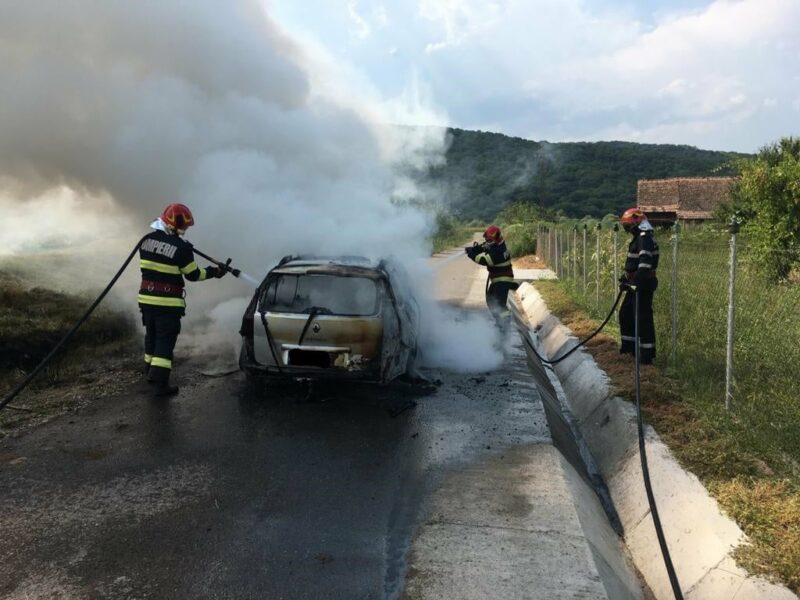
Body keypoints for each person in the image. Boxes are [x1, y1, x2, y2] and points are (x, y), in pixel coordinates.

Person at [138, 203, 226, 396]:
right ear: (173, 223)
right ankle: (160, 384)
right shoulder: (182, 248)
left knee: (151, 336)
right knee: (165, 341)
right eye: (183, 226)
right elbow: (193, 274)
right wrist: (215, 272)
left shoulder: (145, 241)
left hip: (146, 300)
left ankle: (149, 374)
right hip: (167, 303)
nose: (185, 229)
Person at [618, 208, 659, 364]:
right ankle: (629, 350)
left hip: (643, 283)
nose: (627, 229)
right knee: (626, 314)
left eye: (628, 225)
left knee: (642, 318)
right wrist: (627, 280)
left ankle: (646, 357)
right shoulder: (638, 238)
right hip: (636, 282)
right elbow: (634, 265)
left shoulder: (644, 238)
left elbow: (644, 264)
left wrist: (636, 282)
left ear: (636, 223)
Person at [465, 225, 518, 326]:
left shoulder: (499, 250)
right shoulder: (496, 244)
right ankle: (499, 320)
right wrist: (474, 249)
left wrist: (471, 254)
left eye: (488, 239)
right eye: (486, 239)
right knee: (490, 299)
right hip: (498, 279)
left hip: (503, 280)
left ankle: (504, 324)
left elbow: (484, 260)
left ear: (494, 239)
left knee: (499, 303)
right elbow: (484, 246)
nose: (487, 240)